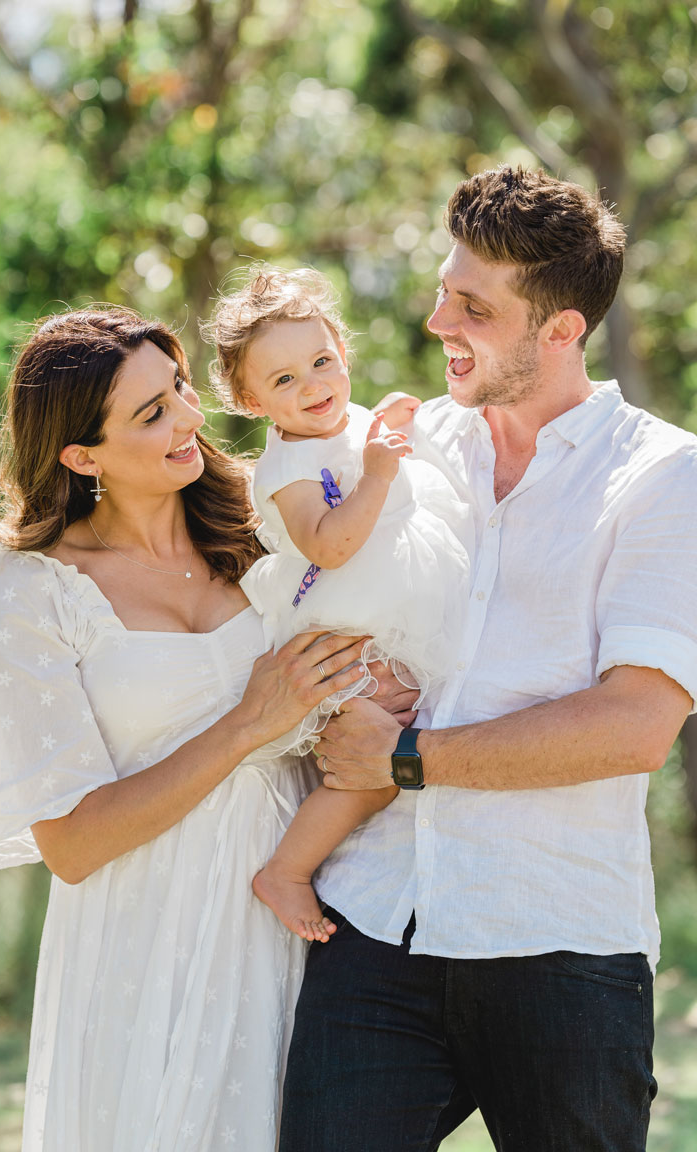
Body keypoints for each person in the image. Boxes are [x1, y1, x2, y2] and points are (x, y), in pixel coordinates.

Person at [278, 167, 697, 1152]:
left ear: (561, 332)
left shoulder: (663, 477)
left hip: (562, 941)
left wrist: (406, 759)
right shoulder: (406, 451)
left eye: (473, 307)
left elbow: (636, 725)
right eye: (440, 289)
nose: (436, 322)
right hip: (374, 925)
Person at [0, 306, 378, 1152]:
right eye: (152, 413)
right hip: (145, 943)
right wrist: (249, 722)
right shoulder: (33, 590)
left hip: (307, 919)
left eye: (178, 388)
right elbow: (69, 843)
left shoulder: (266, 525)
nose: (190, 418)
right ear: (80, 455)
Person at [203, 267, 470, 943]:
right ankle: (287, 871)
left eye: (322, 362)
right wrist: (380, 472)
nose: (314, 386)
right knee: (373, 770)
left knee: (416, 731)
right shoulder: (287, 469)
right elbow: (329, 546)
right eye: (284, 381)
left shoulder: (344, 420)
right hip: (345, 624)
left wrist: (391, 429)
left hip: (396, 606)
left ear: (342, 353)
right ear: (250, 399)